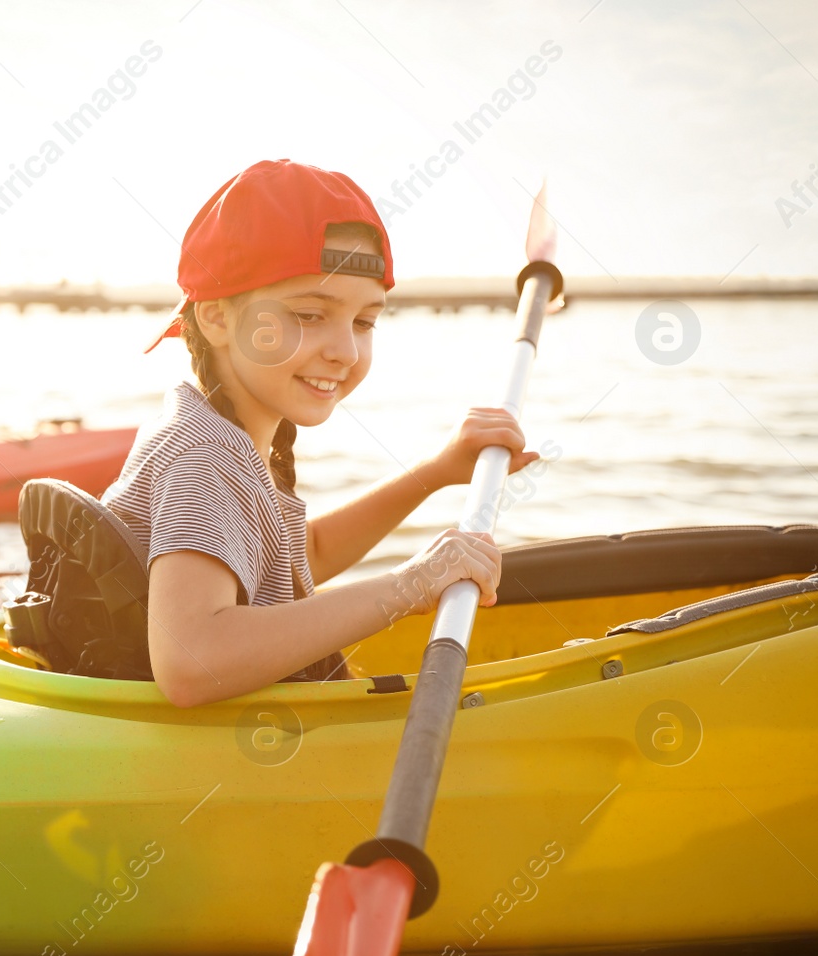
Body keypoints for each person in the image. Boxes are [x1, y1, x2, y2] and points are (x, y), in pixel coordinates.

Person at [102, 160, 540, 707]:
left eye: (364, 322)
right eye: (310, 314)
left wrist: (435, 472)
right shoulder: (205, 459)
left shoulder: (217, 430)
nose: (345, 351)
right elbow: (191, 662)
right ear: (215, 318)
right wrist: (411, 583)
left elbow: (298, 555)